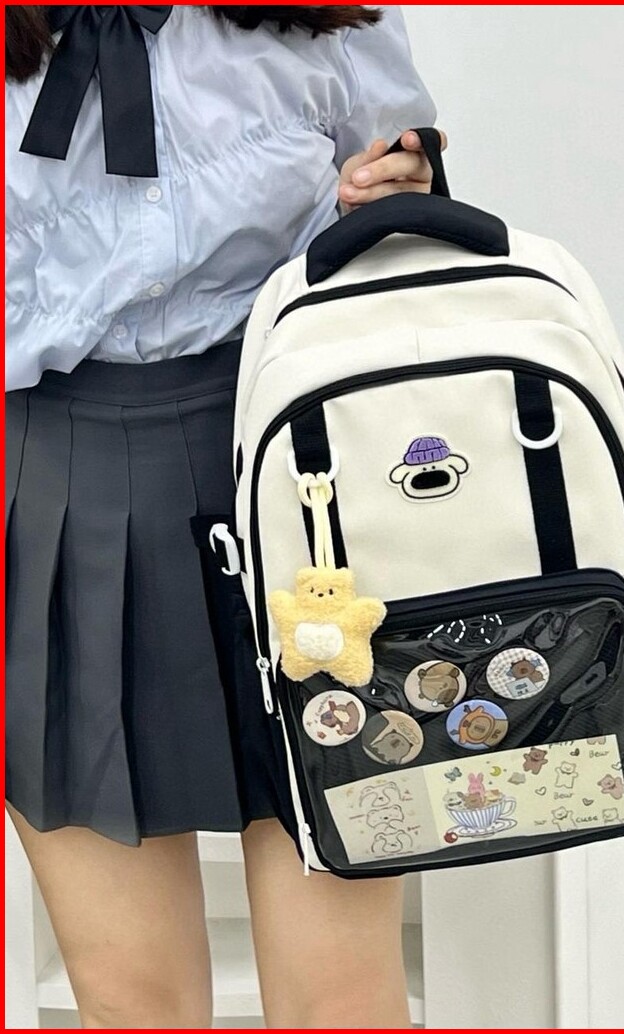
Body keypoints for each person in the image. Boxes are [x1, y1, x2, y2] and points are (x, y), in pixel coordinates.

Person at [5, 6, 442, 1028]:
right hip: (54, 482)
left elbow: (400, 208)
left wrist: (401, 190)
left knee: (342, 1001)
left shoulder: (319, 21)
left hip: (301, 476)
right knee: (132, 1005)